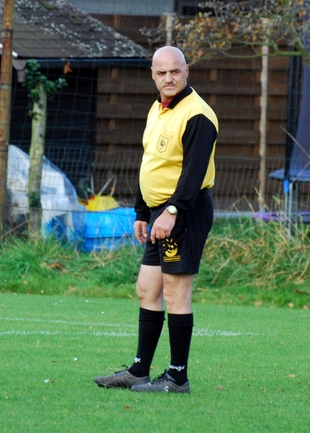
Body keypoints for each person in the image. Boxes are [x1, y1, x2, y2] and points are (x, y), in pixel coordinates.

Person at [93, 46, 218, 394]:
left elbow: (192, 175)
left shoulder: (198, 115)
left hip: (183, 211)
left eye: (174, 72)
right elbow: (151, 162)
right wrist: (141, 211)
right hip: (158, 211)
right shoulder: (157, 109)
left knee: (177, 292)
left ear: (186, 71)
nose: (168, 78)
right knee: (148, 288)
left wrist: (172, 212)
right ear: (153, 74)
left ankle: (178, 376)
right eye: (161, 73)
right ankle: (139, 371)